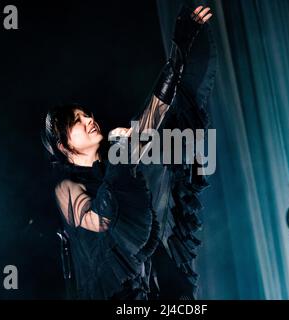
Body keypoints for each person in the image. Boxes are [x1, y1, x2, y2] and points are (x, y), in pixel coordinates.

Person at [42, 5, 214, 300]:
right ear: (63, 145)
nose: (89, 120)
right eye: (77, 122)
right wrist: (125, 151)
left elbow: (151, 119)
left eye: (87, 114)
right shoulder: (65, 186)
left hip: (157, 278)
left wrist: (178, 57)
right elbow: (101, 219)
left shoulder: (117, 161)